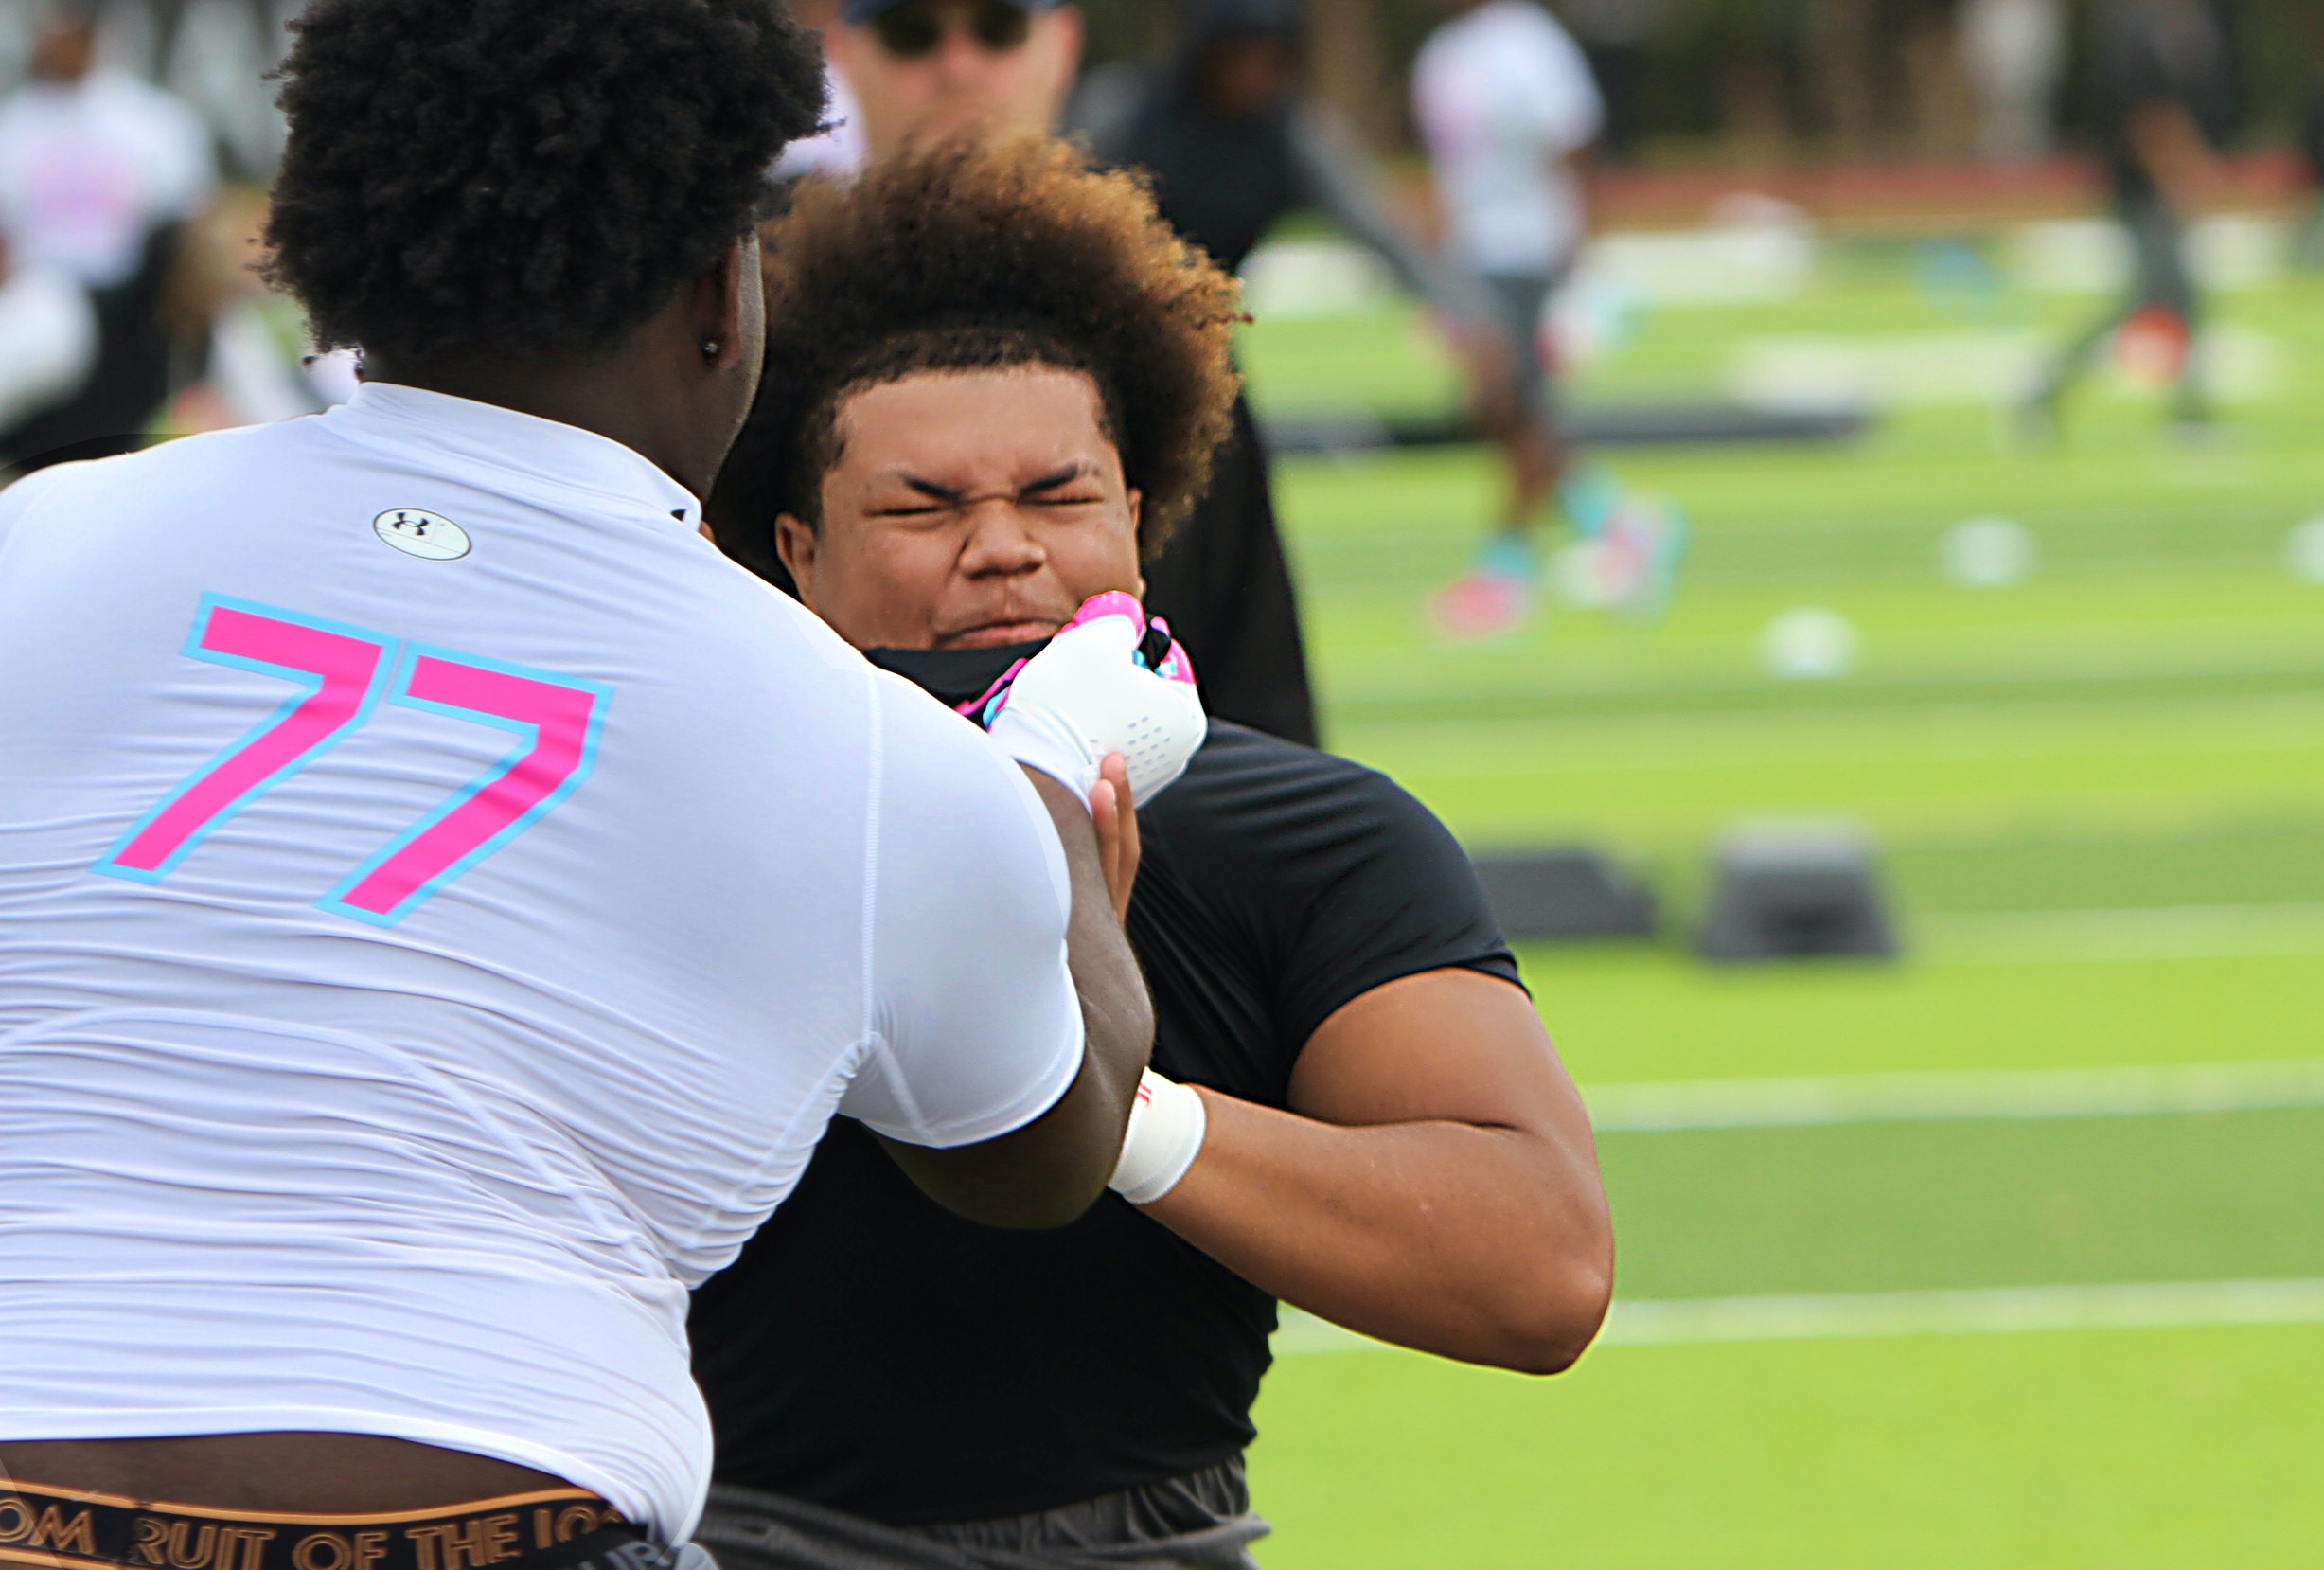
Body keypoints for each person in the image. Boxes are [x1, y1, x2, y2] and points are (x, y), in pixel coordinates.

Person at [0, 1, 1162, 1557]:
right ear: (719, 295)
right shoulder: (866, 741)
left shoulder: (43, 536)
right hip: (500, 1500)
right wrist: (1048, 776)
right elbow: (1045, 1148)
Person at [694, 134, 1615, 1570]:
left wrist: (1097, 1108)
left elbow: (1538, 1266)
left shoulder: (1303, 835)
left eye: (1057, 497)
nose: (1002, 548)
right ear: (797, 551)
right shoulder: (683, 816)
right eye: (923, 506)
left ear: (1137, 517)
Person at [822, 0, 1320, 747]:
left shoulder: (1169, 329)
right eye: (910, 35)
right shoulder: (754, 319)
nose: (956, 67)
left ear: (1062, 42)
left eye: (997, 29)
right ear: (843, 52)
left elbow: (1258, 682)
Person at [1415, 0, 1681, 639]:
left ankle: (1506, 575)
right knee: (1506, 413)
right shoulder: (1443, 56)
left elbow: (1575, 142)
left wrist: (1582, 253)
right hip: (1473, 259)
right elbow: (1453, 175)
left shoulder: (1526, 42)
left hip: (1526, 253)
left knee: (1507, 406)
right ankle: (1613, 523)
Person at [0, 0, 215, 467]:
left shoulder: (151, 121)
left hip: (132, 305)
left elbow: (189, 226)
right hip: (44, 296)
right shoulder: (15, 122)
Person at [2021, 0, 2229, 438]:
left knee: (2176, 295)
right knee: (2156, 296)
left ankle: (2187, 408)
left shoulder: (2171, 26)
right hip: (2138, 188)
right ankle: (2051, 382)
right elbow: (2145, 115)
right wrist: (2175, 177)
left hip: (2146, 184)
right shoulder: (2137, 33)